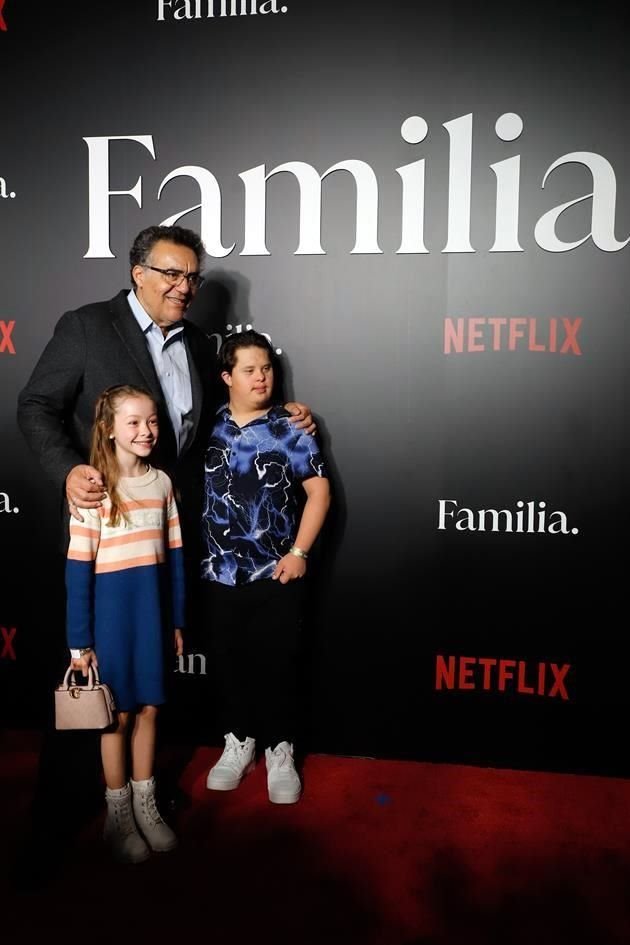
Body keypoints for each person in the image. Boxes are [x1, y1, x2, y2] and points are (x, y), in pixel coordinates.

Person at [201, 330, 330, 804]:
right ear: (226, 376)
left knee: (278, 664)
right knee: (229, 664)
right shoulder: (206, 427)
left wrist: (298, 553)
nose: (261, 378)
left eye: (267, 368)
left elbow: (319, 492)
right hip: (218, 572)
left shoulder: (292, 428)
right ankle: (238, 743)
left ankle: (280, 749)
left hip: (276, 573)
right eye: (250, 370)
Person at [66, 384, 184, 863]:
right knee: (116, 718)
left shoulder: (163, 484)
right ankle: (117, 818)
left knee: (151, 709)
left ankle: (146, 805)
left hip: (152, 618)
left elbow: (175, 558)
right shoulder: (94, 490)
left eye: (152, 421)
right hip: (111, 622)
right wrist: (80, 643)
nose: (145, 431)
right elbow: (77, 572)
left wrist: (176, 622)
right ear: (109, 429)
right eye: (133, 422)